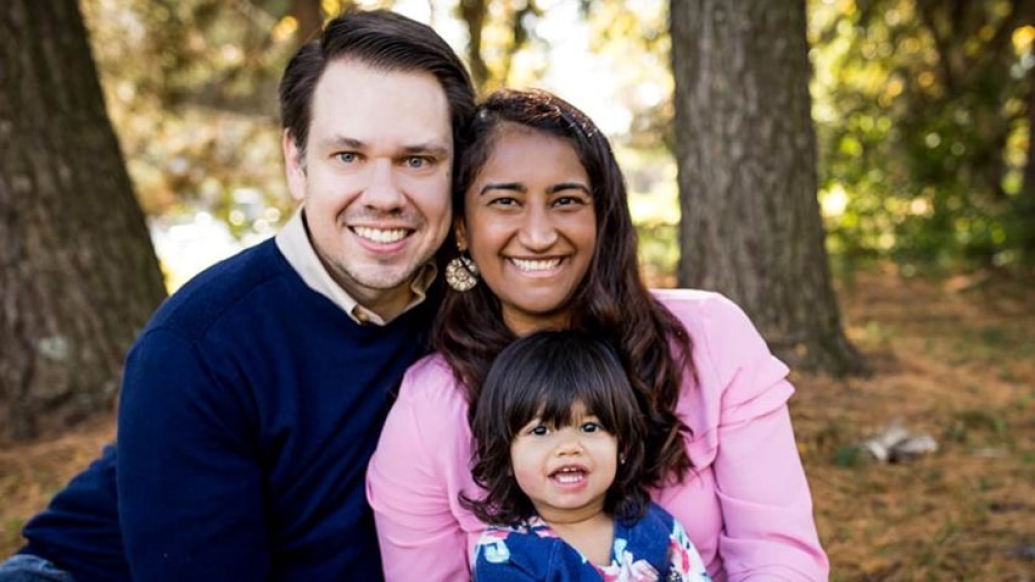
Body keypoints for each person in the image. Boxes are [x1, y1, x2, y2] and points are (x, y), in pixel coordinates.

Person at [0, 9, 475, 582]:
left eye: (417, 160)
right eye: (347, 156)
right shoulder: (198, 348)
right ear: (296, 163)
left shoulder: (475, 302)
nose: (384, 195)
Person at [366, 88, 830, 581]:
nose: (540, 234)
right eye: (506, 202)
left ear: (601, 216)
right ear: (462, 226)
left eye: (566, 200)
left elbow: (777, 555)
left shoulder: (710, 340)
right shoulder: (429, 411)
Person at [466, 330, 712, 581]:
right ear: (506, 455)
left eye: (590, 427)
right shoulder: (505, 555)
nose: (569, 446)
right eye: (540, 431)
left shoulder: (653, 526)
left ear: (623, 446)